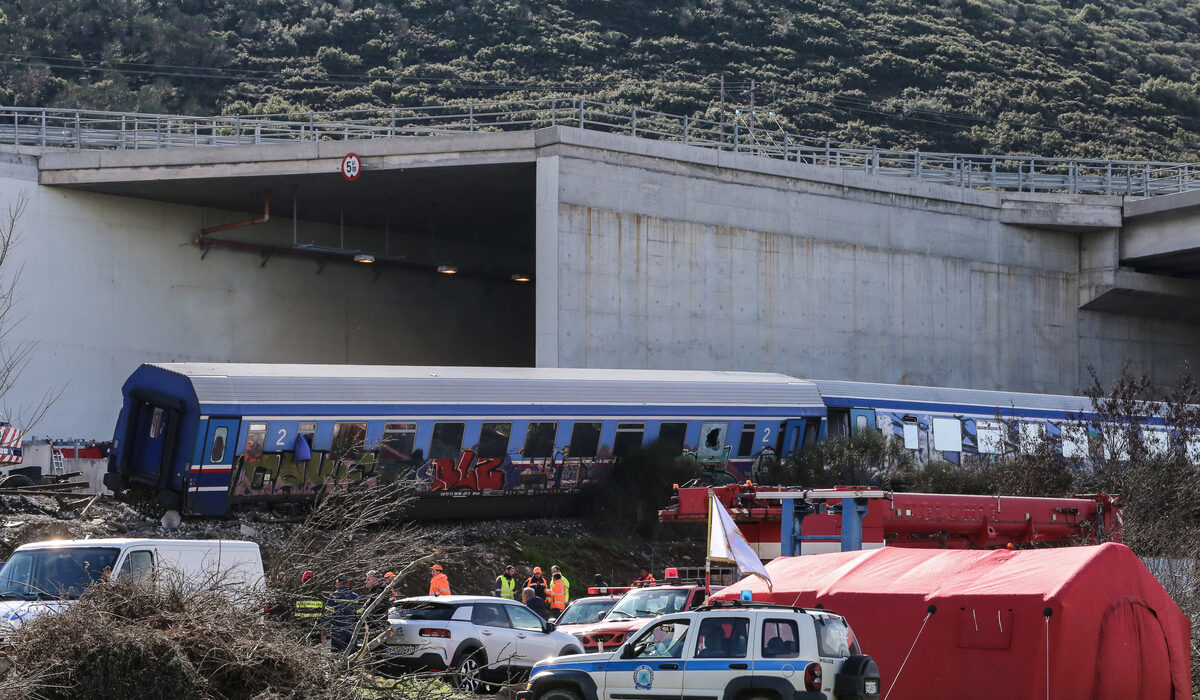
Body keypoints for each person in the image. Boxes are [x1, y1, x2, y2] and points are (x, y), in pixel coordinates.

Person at [323, 573, 360, 653]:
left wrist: (324, 632)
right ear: (348, 583)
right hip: (352, 631)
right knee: (352, 656)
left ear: (337, 583)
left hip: (337, 631)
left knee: (336, 656)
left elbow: (327, 615)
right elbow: (360, 615)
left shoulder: (333, 596)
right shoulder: (356, 597)